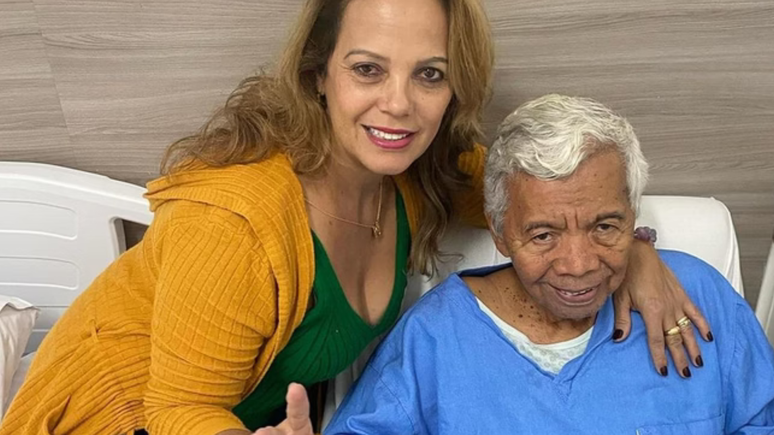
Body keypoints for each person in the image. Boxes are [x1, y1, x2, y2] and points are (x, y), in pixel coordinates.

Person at [1, 0, 709, 433]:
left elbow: (548, 199)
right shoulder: (234, 223)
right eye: (368, 69)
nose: (398, 103)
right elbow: (177, 411)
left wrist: (633, 251)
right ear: (320, 75)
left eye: (428, 73)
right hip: (115, 417)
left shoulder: (415, 170)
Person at [322, 94, 774, 434]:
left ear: (632, 216)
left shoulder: (697, 296)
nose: (578, 265)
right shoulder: (435, 339)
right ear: (500, 233)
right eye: (543, 235)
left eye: (604, 227)